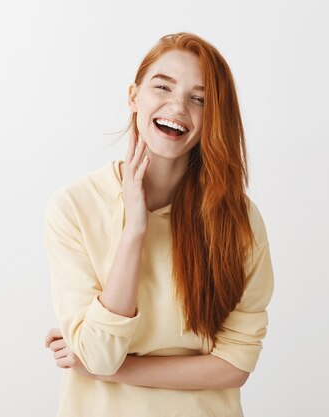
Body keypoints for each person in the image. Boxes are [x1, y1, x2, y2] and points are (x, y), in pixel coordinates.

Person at [42, 32, 274, 417]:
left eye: (198, 99)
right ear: (134, 97)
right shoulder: (74, 207)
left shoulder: (237, 220)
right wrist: (134, 229)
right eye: (162, 87)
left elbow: (234, 366)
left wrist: (112, 370)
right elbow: (100, 355)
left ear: (212, 116)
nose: (177, 106)